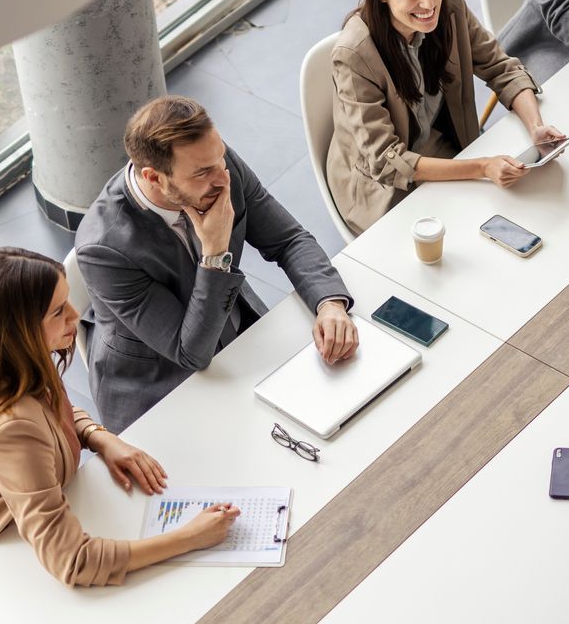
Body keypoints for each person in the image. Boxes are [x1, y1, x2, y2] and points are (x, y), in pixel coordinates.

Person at [0, 247, 239, 585]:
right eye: (59, 311)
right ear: (19, 330)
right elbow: (75, 561)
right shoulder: (11, 428)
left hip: (20, 533)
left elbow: (51, 414)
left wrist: (98, 436)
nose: (76, 316)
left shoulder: (6, 362)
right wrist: (190, 537)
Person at [75, 95, 357, 433]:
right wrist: (214, 253)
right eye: (203, 172)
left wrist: (330, 305)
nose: (222, 179)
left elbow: (289, 240)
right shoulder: (103, 248)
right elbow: (189, 352)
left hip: (232, 328)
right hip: (160, 386)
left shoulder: (216, 167)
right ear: (154, 178)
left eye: (220, 159)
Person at [327, 0, 563, 234]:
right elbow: (387, 161)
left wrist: (536, 127)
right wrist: (482, 167)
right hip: (384, 190)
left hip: (441, 148)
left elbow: (500, 67)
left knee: (534, 211)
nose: (428, 3)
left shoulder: (448, 2)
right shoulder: (354, 55)